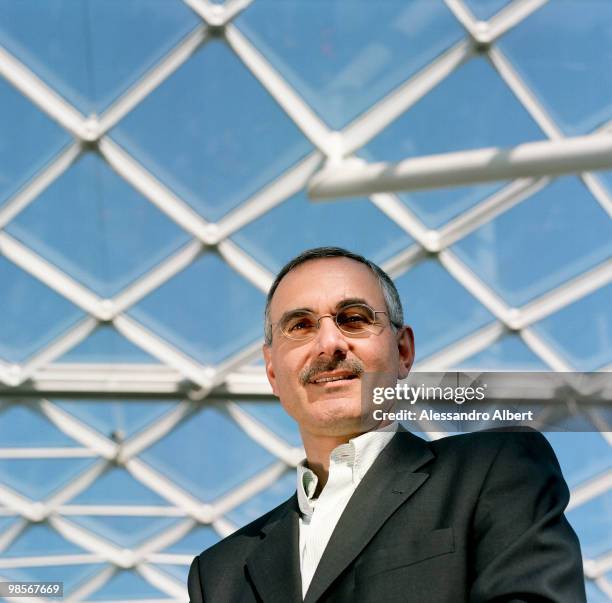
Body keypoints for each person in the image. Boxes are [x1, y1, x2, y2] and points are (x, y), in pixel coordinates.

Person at [188, 247, 586, 602]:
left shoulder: (494, 469)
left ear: (403, 351)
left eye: (354, 319)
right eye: (300, 326)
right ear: (272, 371)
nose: (329, 344)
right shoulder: (219, 573)